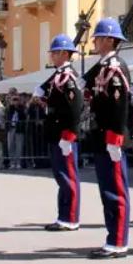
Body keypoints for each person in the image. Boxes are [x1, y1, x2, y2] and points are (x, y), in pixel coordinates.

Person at [81, 18, 133, 259]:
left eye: (99, 38)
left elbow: (120, 107)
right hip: (101, 136)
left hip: (111, 138)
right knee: (107, 191)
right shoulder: (103, 66)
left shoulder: (116, 67)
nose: (95, 42)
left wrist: (115, 138)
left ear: (110, 40)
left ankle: (118, 241)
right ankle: (113, 237)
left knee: (115, 191)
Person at [36, 34, 84, 232]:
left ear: (64, 54)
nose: (52, 56)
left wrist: (69, 136)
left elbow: (75, 109)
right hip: (56, 131)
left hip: (65, 134)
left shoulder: (69, 77)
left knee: (68, 176)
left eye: (55, 53)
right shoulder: (58, 75)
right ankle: (63, 216)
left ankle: (70, 218)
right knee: (61, 176)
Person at [4, 92, 26, 170]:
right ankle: (12, 163)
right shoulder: (9, 108)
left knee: (19, 146)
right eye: (14, 99)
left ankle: (18, 163)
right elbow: (7, 114)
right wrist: (11, 105)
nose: (15, 101)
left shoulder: (22, 107)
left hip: (19, 128)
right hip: (11, 128)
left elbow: (23, 115)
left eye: (17, 99)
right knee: (10, 146)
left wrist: (17, 106)